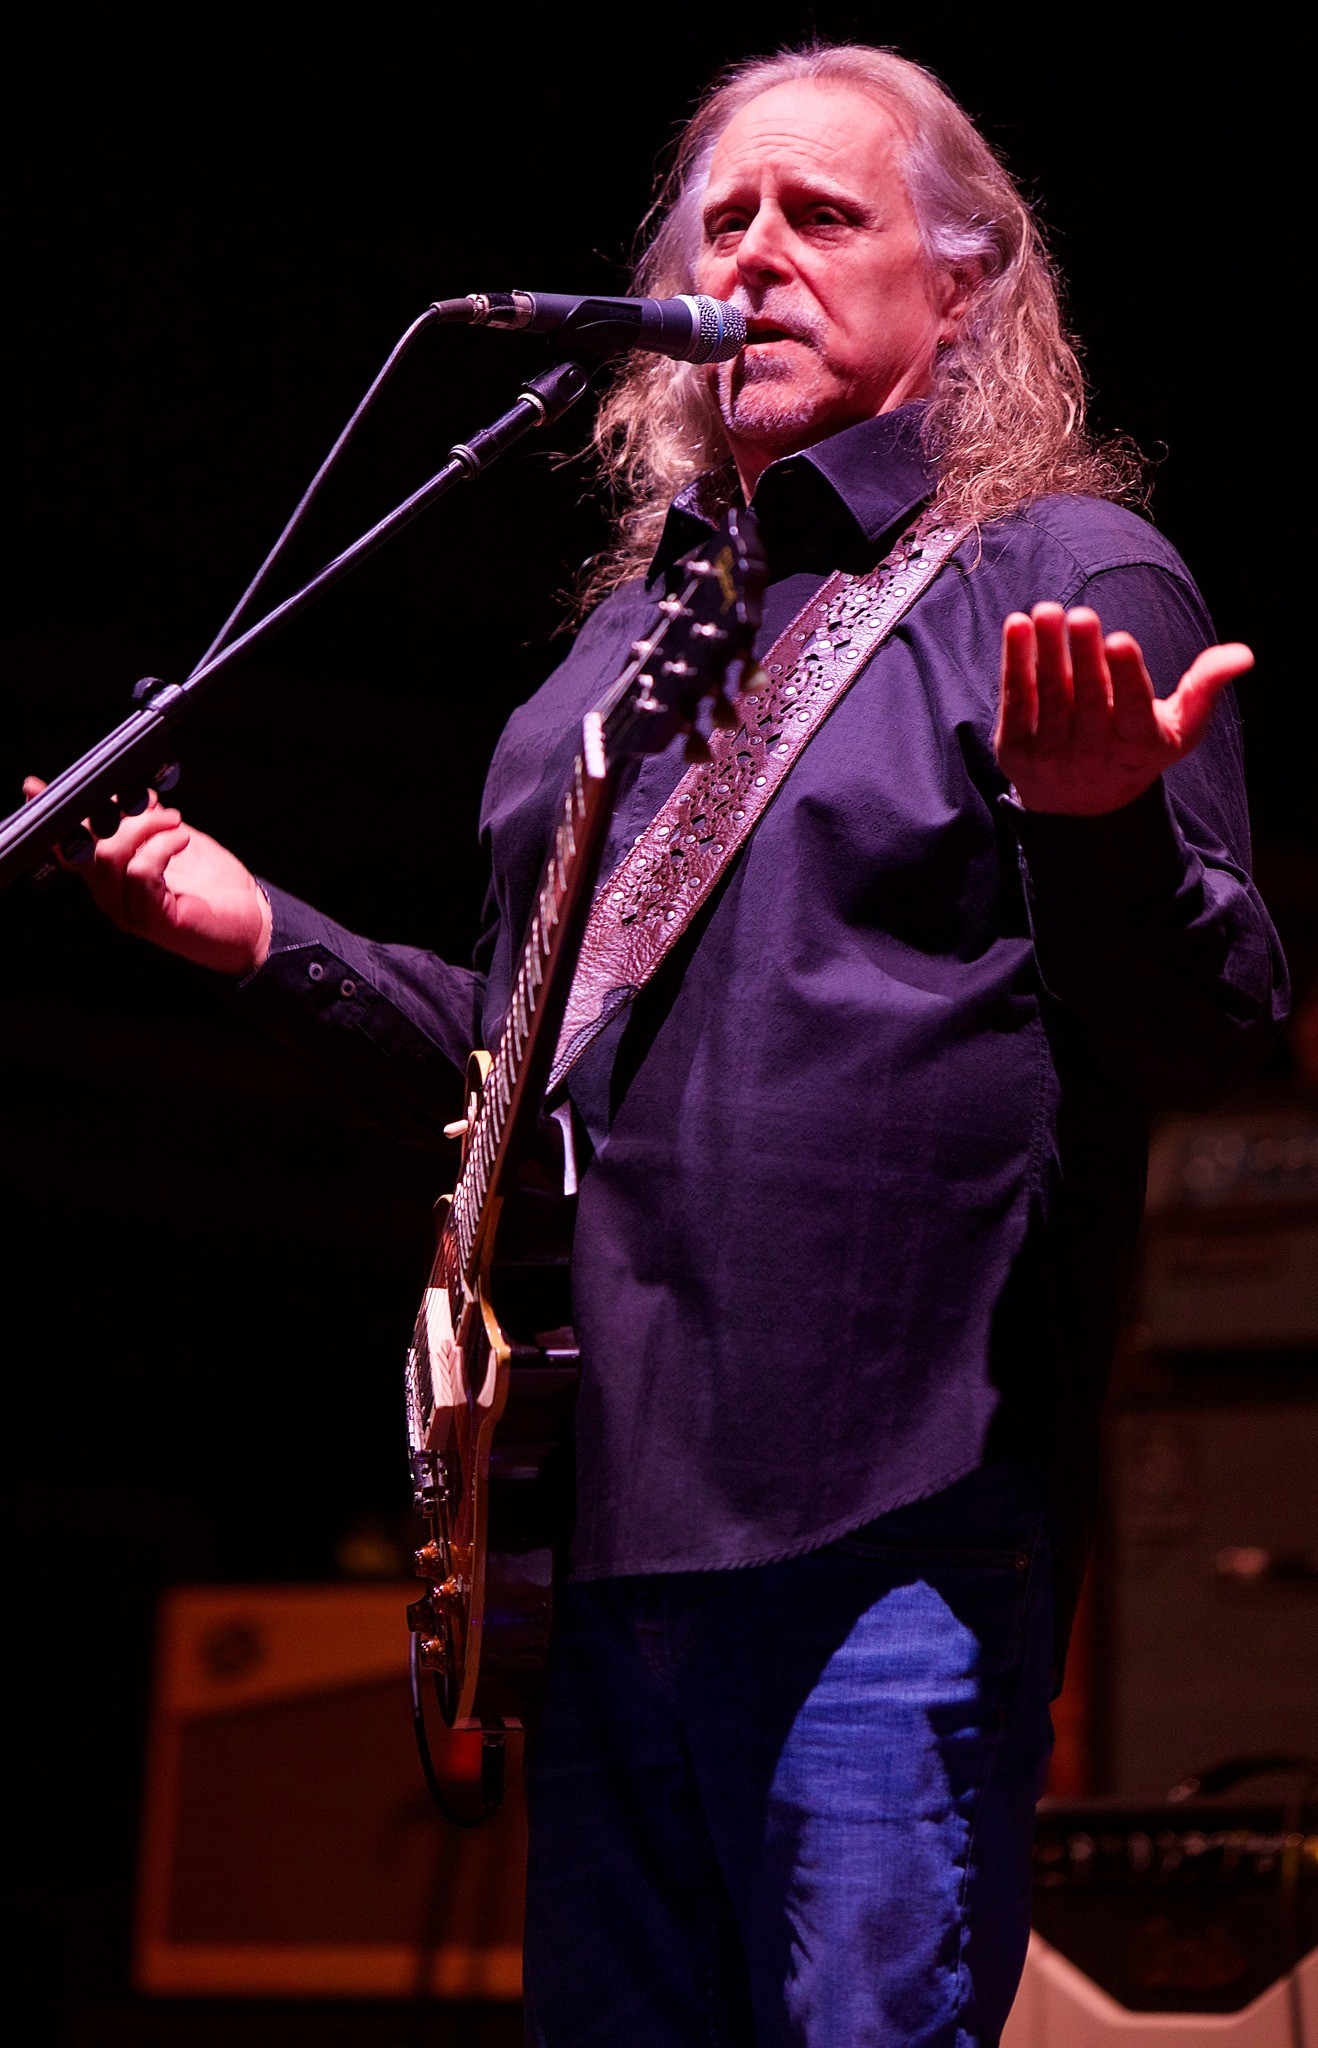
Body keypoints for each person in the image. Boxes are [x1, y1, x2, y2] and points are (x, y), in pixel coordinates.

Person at [28, 42, 1287, 2048]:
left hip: (883, 1522)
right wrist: (267, 942)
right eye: (724, 220)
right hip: (594, 1535)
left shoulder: (1051, 580)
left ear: (958, 287)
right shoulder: (616, 658)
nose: (756, 254)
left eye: (821, 215)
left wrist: (1096, 829)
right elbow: (514, 1089)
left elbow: (1206, 1041)